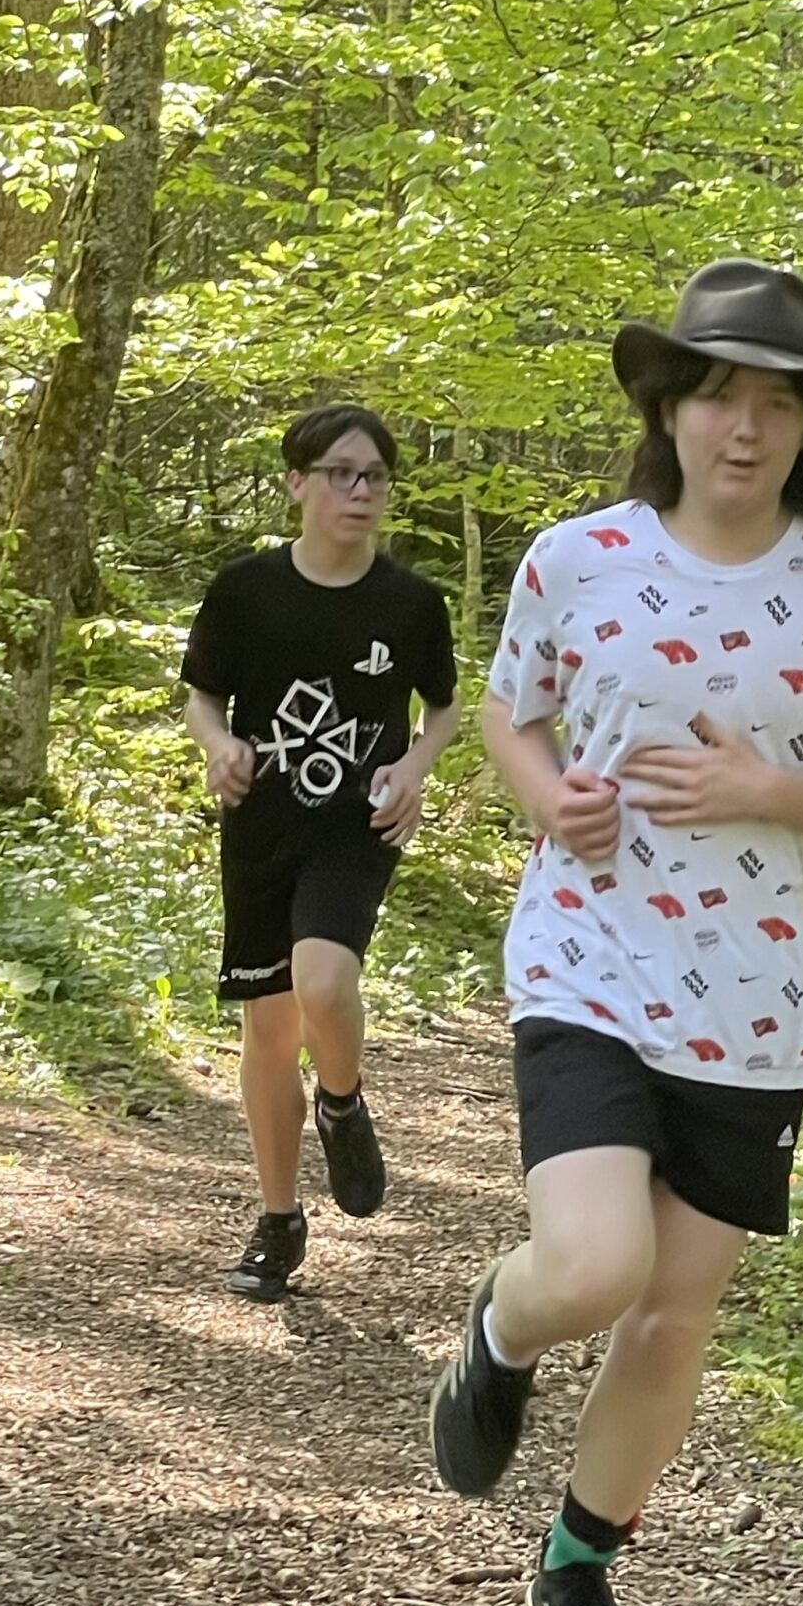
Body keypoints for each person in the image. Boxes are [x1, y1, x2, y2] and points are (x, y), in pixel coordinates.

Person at [428, 260, 803, 1606]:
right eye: (718, 395)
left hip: (759, 997)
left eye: (776, 403)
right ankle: (502, 1323)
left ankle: (577, 1568)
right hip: (589, 956)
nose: (745, 427)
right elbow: (511, 710)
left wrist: (767, 789)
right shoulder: (576, 558)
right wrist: (546, 798)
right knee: (596, 1266)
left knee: (672, 1313)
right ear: (666, 409)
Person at [182, 404, 460, 1302]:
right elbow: (202, 695)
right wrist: (218, 746)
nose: (359, 490)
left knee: (326, 982)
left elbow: (443, 706)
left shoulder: (411, 603)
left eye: (373, 475)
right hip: (261, 824)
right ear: (297, 482)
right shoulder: (245, 590)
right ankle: (277, 1221)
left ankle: (341, 1101)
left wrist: (413, 768)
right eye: (340, 472)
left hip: (355, 825)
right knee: (267, 1030)